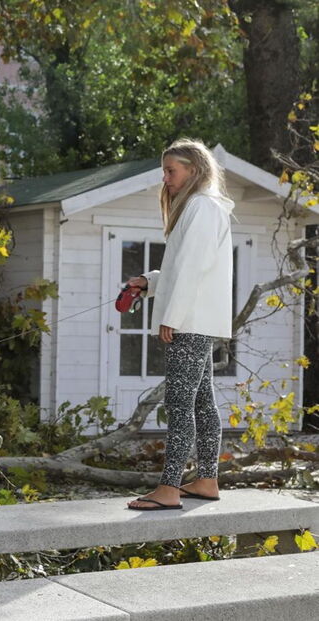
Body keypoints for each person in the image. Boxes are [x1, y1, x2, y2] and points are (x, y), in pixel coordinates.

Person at [125, 138, 234, 511]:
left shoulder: (202, 207)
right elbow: (180, 268)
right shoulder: (201, 208)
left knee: (180, 402)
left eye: (171, 170)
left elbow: (192, 268)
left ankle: (169, 488)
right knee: (202, 401)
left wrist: (171, 316)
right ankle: (206, 480)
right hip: (198, 318)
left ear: (194, 169)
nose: (166, 178)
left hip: (190, 321)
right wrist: (149, 283)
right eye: (165, 171)